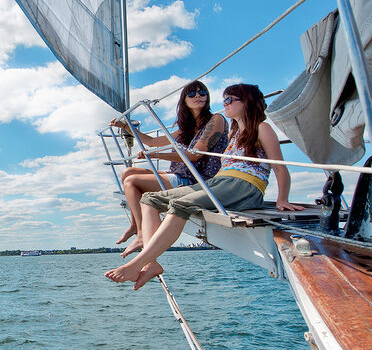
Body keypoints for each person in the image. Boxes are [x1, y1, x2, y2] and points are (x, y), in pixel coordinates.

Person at [106, 83, 306, 290]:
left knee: (181, 205)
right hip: (220, 181)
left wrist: (283, 198)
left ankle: (137, 264)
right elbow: (154, 142)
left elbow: (280, 167)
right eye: (224, 100)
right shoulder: (234, 133)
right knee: (150, 199)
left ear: (247, 102)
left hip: (244, 185)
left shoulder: (261, 127)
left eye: (229, 100)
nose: (224, 104)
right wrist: (129, 128)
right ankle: (151, 263)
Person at [109, 80, 227, 256]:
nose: (198, 96)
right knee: (127, 172)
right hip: (180, 173)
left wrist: (155, 155)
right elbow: (152, 142)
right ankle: (135, 225)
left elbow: (194, 155)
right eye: (192, 93)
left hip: (197, 179)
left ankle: (141, 235)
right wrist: (126, 127)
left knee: (132, 182)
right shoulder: (186, 128)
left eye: (202, 92)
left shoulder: (215, 119)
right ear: (184, 100)